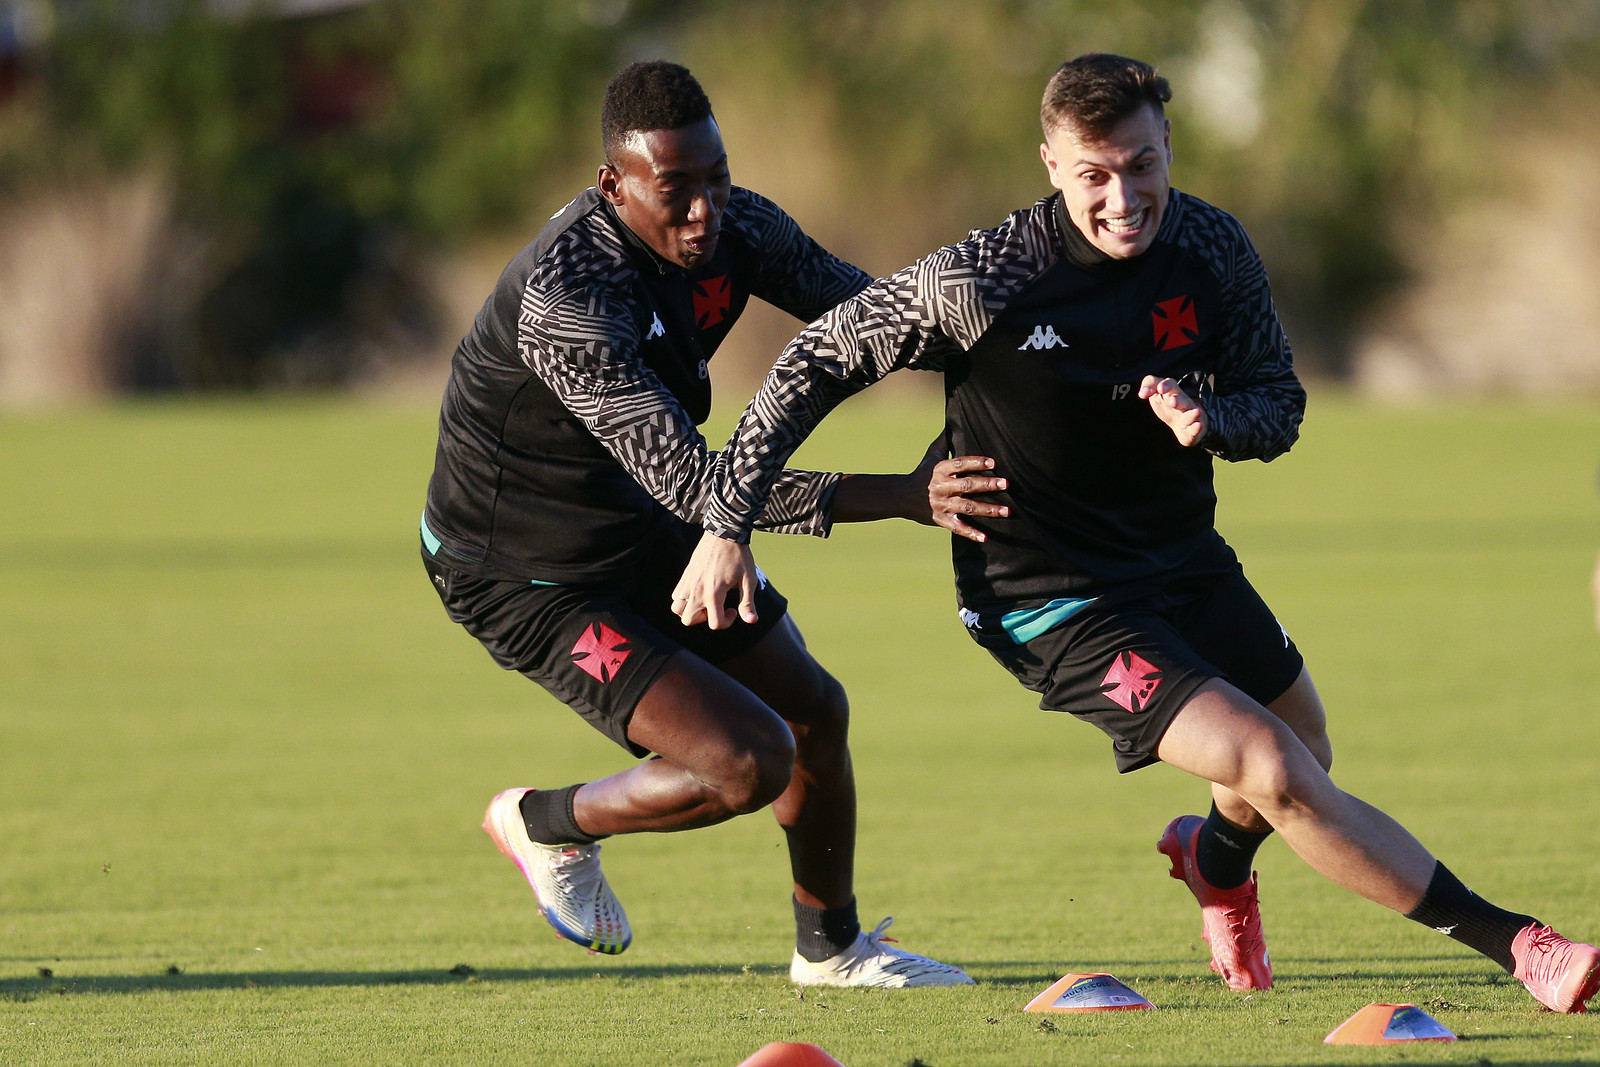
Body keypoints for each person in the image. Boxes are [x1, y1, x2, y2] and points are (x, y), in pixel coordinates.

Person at [672, 53, 1600, 1012]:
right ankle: (1521, 944)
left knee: (1305, 746)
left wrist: (1214, 421)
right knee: (1270, 764)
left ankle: (1215, 863)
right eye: (1095, 175)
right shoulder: (981, 279)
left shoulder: (1212, 248)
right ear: (1050, 164)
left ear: (1168, 147)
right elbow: (812, 362)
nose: (1124, 199)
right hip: (1048, 597)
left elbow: (1278, 401)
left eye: (1142, 166)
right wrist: (728, 523)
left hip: (1182, 560)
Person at [420, 60, 971, 988]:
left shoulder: (738, 226)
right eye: (675, 189)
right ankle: (546, 822)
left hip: (638, 519)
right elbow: (695, 484)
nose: (705, 210)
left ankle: (831, 950)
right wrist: (901, 495)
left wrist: (1025, 340)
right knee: (748, 762)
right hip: (524, 572)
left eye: (717, 177)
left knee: (814, 710)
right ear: (613, 185)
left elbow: (876, 318)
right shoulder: (569, 302)